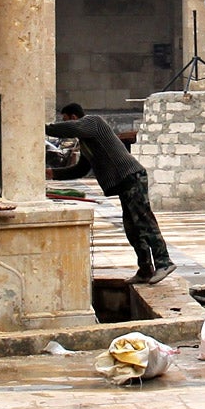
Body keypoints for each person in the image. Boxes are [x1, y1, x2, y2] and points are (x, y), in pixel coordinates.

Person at [48, 104, 174, 284]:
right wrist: (54, 174)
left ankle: (164, 262)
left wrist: (43, 128)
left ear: (74, 117)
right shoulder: (86, 142)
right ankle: (145, 269)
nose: (65, 125)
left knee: (144, 220)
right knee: (132, 227)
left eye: (66, 120)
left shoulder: (92, 122)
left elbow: (72, 128)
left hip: (132, 176)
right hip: (123, 182)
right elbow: (81, 169)